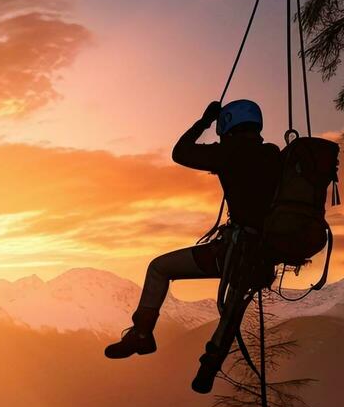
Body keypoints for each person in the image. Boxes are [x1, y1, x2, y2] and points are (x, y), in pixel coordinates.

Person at [105, 98, 282, 359]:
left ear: (227, 124)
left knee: (159, 268)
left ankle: (141, 334)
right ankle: (211, 363)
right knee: (234, 303)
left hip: (231, 252)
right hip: (264, 257)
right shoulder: (273, 154)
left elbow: (181, 152)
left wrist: (204, 121)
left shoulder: (228, 152)